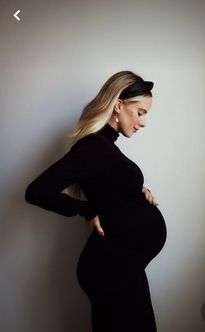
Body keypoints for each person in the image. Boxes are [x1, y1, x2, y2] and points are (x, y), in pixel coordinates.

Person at [25, 70, 167, 332]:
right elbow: (36, 191)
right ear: (118, 105)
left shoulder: (104, 148)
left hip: (125, 266)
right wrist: (86, 209)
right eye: (140, 112)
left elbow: (109, 187)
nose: (143, 122)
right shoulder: (93, 146)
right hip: (111, 269)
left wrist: (138, 191)